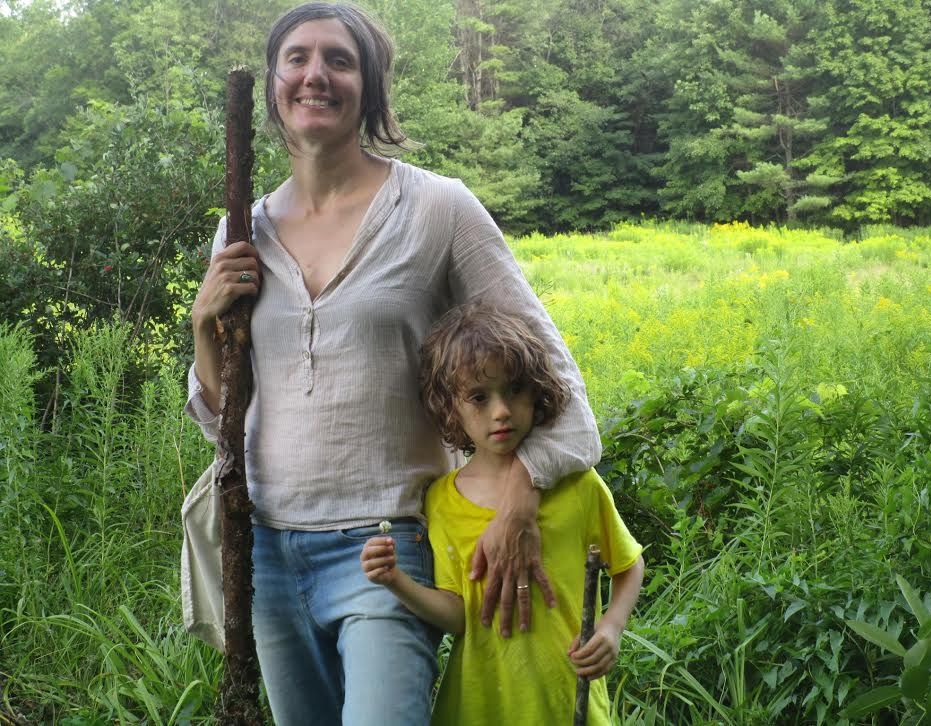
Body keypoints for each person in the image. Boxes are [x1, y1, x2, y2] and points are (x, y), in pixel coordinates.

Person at [185, 2, 601, 724]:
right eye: (297, 58)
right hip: (267, 555)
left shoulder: (438, 209)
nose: (315, 75)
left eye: (339, 60)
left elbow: (554, 377)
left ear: (370, 87)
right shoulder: (241, 228)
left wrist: (521, 493)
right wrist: (203, 324)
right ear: (273, 85)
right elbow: (224, 422)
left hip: (388, 544)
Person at [360, 304, 645, 725]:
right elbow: (460, 615)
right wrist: (396, 581)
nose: (501, 412)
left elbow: (629, 565)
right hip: (477, 707)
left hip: (568, 701)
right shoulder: (442, 501)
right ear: (450, 407)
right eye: (479, 397)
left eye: (514, 390)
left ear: (537, 392)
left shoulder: (579, 485)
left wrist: (611, 628)